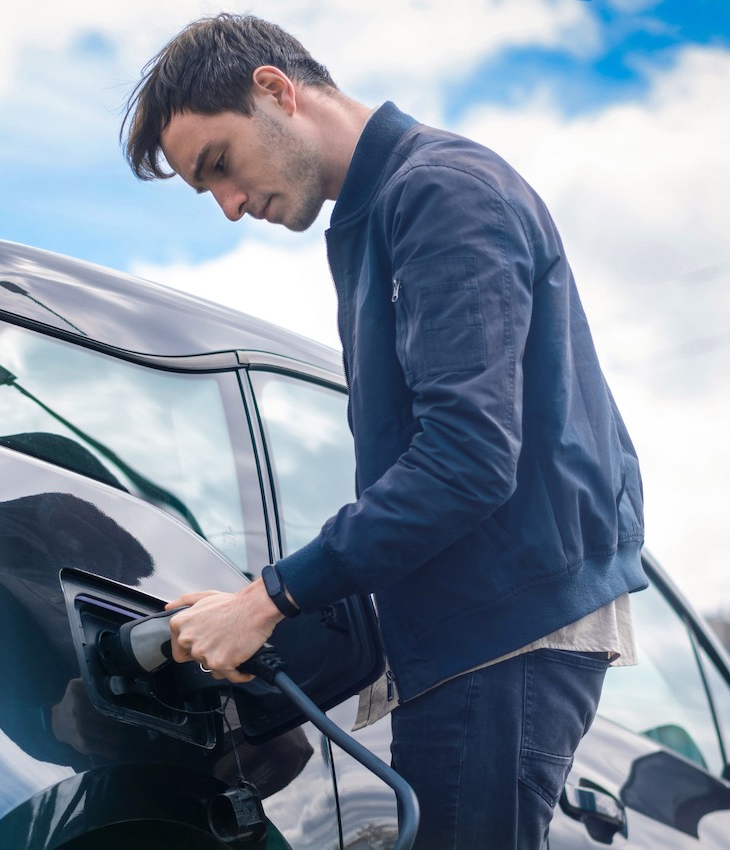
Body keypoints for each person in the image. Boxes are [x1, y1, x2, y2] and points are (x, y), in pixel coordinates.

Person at [122, 13, 647, 849]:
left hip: (499, 631)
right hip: (472, 625)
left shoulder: (442, 192)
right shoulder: (382, 215)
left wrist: (270, 597)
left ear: (275, 90)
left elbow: (469, 459)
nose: (226, 206)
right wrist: (269, 612)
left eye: (219, 164)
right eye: (204, 190)